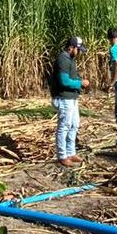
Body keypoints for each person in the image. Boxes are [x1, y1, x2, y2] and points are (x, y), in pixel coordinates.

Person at [50, 36, 90, 167]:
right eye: (78, 49)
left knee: (74, 125)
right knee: (64, 127)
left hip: (72, 98)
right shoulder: (63, 59)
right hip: (64, 98)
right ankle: (62, 155)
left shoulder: (70, 59)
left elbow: (71, 77)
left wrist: (80, 82)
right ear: (71, 48)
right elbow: (64, 81)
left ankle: (71, 152)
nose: (79, 53)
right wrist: (80, 83)